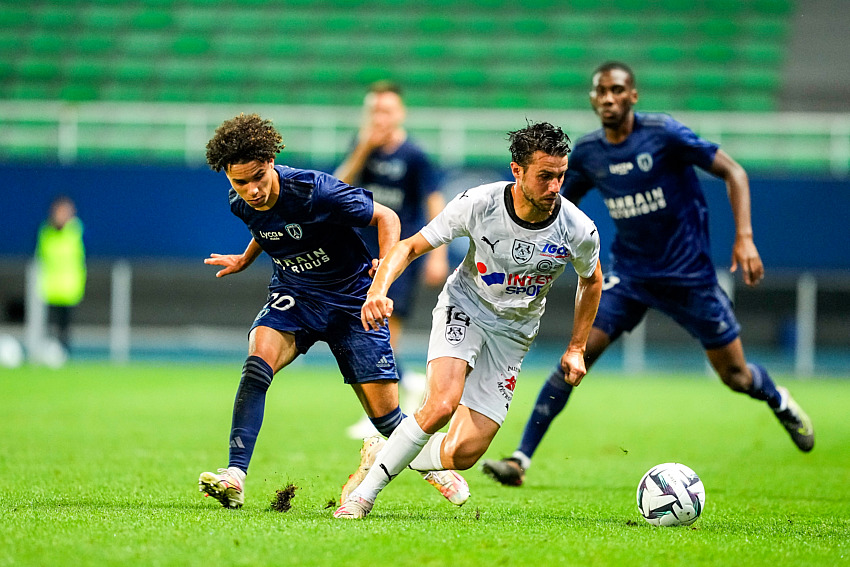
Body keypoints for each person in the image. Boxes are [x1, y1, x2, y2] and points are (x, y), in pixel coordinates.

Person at [480, 61, 815, 488]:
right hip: (631, 277)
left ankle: (778, 398)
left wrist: (744, 237)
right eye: (600, 91)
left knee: (736, 376)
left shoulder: (664, 135)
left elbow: (735, 171)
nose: (608, 98)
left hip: (690, 278)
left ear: (633, 95)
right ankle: (520, 460)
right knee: (576, 356)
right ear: (593, 98)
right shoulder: (588, 154)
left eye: (617, 90)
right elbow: (560, 206)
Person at [333, 121, 603, 519]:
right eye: (545, 176)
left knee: (463, 455)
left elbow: (592, 281)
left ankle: (384, 449)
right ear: (517, 171)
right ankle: (363, 497)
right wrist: (378, 290)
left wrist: (577, 347)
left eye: (560, 176)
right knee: (441, 404)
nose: (554, 187)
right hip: (465, 307)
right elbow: (409, 247)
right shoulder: (479, 203)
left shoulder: (578, 228)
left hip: (514, 334)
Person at [197, 113, 467, 509]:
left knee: (387, 419)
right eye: (241, 182)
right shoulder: (240, 201)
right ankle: (234, 474)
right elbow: (267, 227)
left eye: (258, 177)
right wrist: (246, 258)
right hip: (296, 295)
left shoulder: (315, 190)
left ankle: (433, 468)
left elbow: (386, 216)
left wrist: (381, 278)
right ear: (229, 178)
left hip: (351, 297)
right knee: (257, 363)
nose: (252, 190)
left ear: (271, 162)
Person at [335, 81, 449, 438]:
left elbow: (433, 201)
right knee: (355, 331)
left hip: (396, 255)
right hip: (358, 254)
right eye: (375, 111)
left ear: (400, 113)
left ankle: (382, 415)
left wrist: (438, 255)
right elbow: (337, 188)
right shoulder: (361, 148)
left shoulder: (414, 155)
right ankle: (408, 384)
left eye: (386, 110)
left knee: (381, 332)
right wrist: (362, 150)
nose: (380, 117)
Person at [35, 195, 86, 355]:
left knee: (65, 326)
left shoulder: (75, 231)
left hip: (69, 287)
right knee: (49, 325)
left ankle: (64, 353)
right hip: (49, 287)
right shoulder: (46, 232)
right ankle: (48, 352)